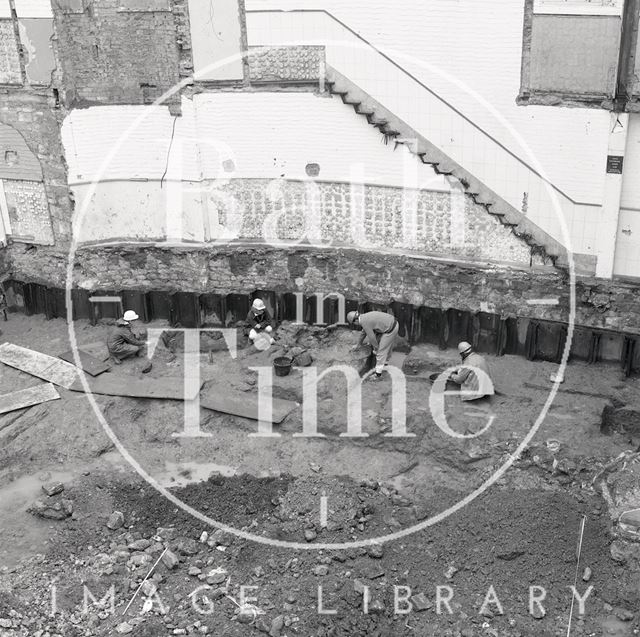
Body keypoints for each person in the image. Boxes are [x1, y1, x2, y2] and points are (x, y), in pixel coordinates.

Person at [347, 310, 398, 379]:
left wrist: (376, 349)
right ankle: (385, 363)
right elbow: (363, 332)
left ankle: (378, 375)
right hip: (391, 323)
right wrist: (358, 344)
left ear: (355, 321)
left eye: (354, 323)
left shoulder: (364, 322)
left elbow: (372, 338)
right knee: (386, 345)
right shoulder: (364, 317)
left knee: (381, 351)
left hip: (390, 329)